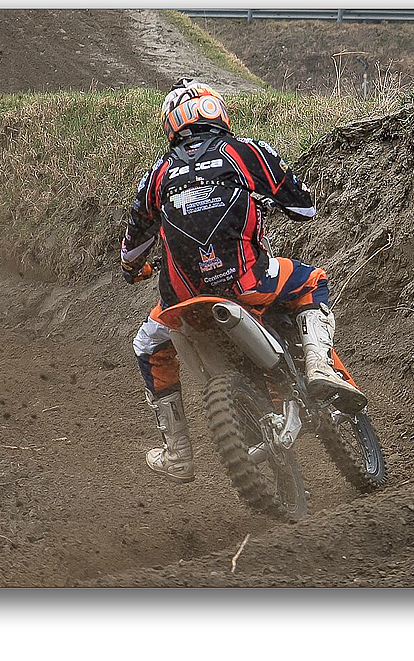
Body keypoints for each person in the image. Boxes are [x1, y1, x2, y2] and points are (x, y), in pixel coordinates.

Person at [121, 78, 367, 483]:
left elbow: (131, 251)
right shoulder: (246, 151)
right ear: (217, 110)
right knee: (312, 281)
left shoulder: (156, 176)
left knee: (147, 345)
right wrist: (264, 199)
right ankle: (319, 366)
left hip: (181, 304)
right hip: (247, 283)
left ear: (171, 125)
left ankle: (177, 451)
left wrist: (134, 271)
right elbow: (305, 209)